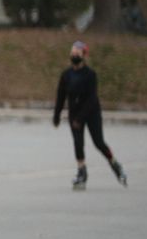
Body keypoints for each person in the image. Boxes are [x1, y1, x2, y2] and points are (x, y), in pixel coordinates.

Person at [53, 41, 127, 190]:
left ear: (84, 55)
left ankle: (114, 164)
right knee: (78, 143)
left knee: (98, 142)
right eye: (72, 51)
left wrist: (81, 118)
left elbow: (92, 98)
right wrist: (57, 115)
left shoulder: (90, 75)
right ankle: (82, 172)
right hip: (74, 113)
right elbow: (61, 96)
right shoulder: (66, 75)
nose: (74, 54)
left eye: (77, 52)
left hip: (91, 112)